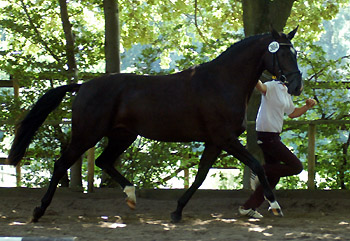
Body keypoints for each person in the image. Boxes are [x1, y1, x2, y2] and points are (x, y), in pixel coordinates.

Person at [238, 78, 317, 218]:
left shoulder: (286, 93)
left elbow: (292, 113)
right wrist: (255, 71)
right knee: (296, 166)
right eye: (300, 85)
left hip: (274, 136)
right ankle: (258, 170)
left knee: (274, 176)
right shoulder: (273, 86)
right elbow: (261, 87)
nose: (302, 88)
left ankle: (248, 207)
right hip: (266, 136)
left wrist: (307, 106)